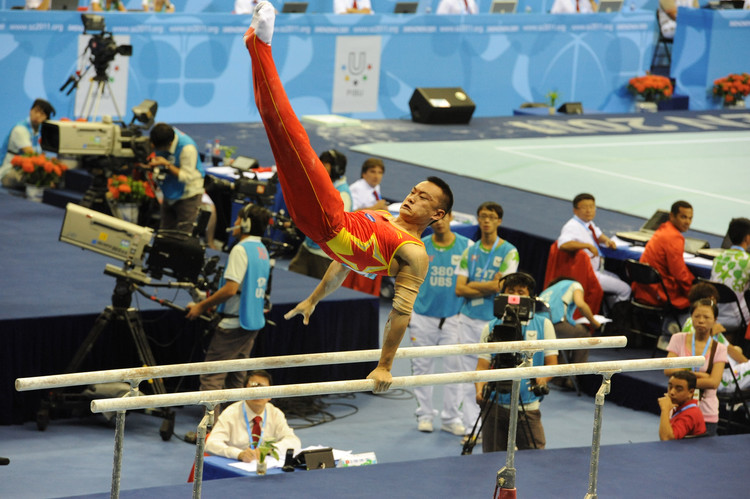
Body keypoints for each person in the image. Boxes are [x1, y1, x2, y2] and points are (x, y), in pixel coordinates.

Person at [243, 2, 453, 392]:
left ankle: (262, 45)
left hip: (327, 220)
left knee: (288, 133)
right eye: (412, 191)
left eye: (421, 198)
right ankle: (258, 45)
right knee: (276, 126)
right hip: (323, 223)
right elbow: (341, 263)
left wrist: (385, 365)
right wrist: (314, 298)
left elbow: (400, 313)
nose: (410, 198)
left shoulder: (413, 253)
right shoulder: (386, 215)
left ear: (437, 214)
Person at [186, 203, 272, 412]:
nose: (234, 224)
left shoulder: (241, 249)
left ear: (245, 223)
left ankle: (210, 432)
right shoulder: (262, 250)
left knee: (212, 378)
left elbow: (230, 289)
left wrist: (200, 306)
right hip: (251, 322)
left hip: (233, 324)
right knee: (236, 378)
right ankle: (234, 428)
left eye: (237, 219)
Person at [453, 201, 519, 435]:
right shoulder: (469, 251)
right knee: (470, 375)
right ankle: (473, 426)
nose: (486, 220)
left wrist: (475, 285)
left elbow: (501, 287)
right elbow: (459, 289)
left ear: (499, 220)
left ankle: (496, 427)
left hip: (494, 322)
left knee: (496, 375)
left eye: (491, 217)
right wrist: (488, 285)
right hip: (468, 319)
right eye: (482, 216)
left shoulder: (509, 251)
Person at [475, 273, 558, 452]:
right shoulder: (490, 327)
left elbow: (552, 364)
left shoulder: (544, 325)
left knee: (536, 458)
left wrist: (542, 379)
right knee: (492, 459)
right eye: (511, 291)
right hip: (495, 404)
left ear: (530, 298)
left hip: (527, 404)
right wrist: (479, 388)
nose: (516, 297)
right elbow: (482, 365)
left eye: (521, 292)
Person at [409, 211, 473, 434]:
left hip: (454, 318)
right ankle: (424, 415)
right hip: (422, 316)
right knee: (422, 370)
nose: (439, 223)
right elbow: (407, 279)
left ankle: (451, 418)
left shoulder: (467, 247)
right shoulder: (419, 246)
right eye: (434, 220)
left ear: (451, 217)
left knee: (455, 371)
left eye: (443, 217)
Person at [205, 370, 301, 462]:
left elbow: (294, 442)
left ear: (270, 395)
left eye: (262, 388)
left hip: (264, 465)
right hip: (235, 465)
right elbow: (211, 444)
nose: (257, 392)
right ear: (244, 391)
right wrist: (238, 454)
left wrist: (269, 450)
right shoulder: (231, 413)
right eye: (253, 387)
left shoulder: (275, 413)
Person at [632, 200, 695, 340]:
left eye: (690, 218)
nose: (687, 222)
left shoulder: (663, 229)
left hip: (643, 288)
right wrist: (694, 288)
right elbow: (679, 273)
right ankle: (672, 335)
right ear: (672, 216)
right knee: (697, 297)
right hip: (657, 292)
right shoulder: (674, 237)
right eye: (683, 217)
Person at [664, 298, 728, 436]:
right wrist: (702, 376)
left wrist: (682, 377)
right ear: (691, 317)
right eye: (697, 316)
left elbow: (714, 382)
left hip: (706, 412)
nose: (701, 320)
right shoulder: (678, 338)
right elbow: (668, 370)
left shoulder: (720, 348)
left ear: (715, 320)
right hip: (677, 408)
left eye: (706, 317)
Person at [288, 149, 352, 279]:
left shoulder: (342, 194)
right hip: (307, 248)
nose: (320, 169)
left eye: (324, 166)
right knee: (290, 278)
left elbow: (336, 228)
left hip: (324, 256)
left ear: (335, 169)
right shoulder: (321, 185)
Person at [557, 193, 630, 304]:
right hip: (588, 274)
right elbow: (563, 245)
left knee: (617, 280)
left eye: (591, 207)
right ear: (575, 211)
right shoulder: (571, 226)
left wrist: (607, 241)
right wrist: (587, 246)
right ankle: (618, 318)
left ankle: (610, 313)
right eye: (585, 207)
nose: (589, 210)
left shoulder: (588, 223)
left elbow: (598, 235)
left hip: (597, 269)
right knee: (625, 290)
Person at [538, 277, 600, 388]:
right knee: (584, 333)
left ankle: (560, 377)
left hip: (539, 325)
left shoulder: (549, 289)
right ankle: (573, 377)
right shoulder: (575, 284)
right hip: (554, 325)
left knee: (567, 336)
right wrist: (594, 323)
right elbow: (580, 304)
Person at [148, 122, 206, 233]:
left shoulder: (187, 148)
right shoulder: (161, 135)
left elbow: (187, 176)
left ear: (169, 144)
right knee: (165, 233)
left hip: (188, 195)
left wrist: (167, 164)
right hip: (169, 192)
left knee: (183, 236)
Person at [1, 98, 55, 189]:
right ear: (30, 110)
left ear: (46, 118)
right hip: (9, 172)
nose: (37, 115)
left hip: (27, 171)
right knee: (45, 179)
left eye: (42, 114)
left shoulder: (40, 131)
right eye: (36, 111)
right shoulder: (20, 129)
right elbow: (32, 155)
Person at [710, 217, 750, 332]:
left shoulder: (718, 258)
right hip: (735, 317)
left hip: (713, 313)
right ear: (747, 238)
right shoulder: (748, 261)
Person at [658, 370, 706, 440]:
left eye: (679, 389)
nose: (672, 392)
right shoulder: (679, 406)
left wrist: (665, 410)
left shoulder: (690, 414)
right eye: (670, 387)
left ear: (691, 392)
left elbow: (666, 439)